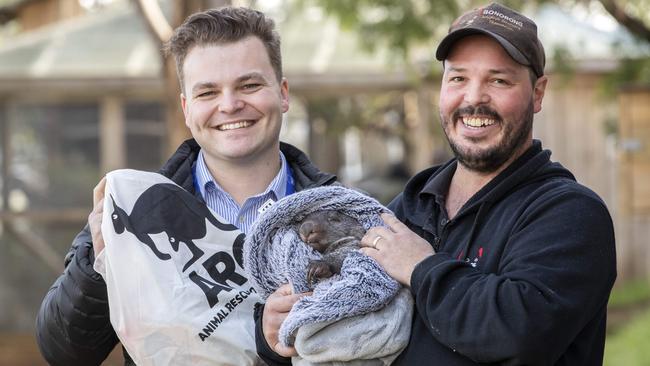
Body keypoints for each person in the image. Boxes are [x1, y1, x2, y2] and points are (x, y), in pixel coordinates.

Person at [259, 3, 617, 365]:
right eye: (459, 78)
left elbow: (518, 334)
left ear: (537, 93)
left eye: (499, 80)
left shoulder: (570, 215)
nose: (474, 98)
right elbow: (352, 321)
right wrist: (281, 333)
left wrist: (420, 268)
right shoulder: (409, 207)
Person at [35, 7, 336, 366]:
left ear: (283, 94)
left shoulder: (342, 213)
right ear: (186, 108)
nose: (230, 105)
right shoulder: (136, 210)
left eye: (250, 85)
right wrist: (96, 265)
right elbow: (64, 352)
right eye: (208, 92)